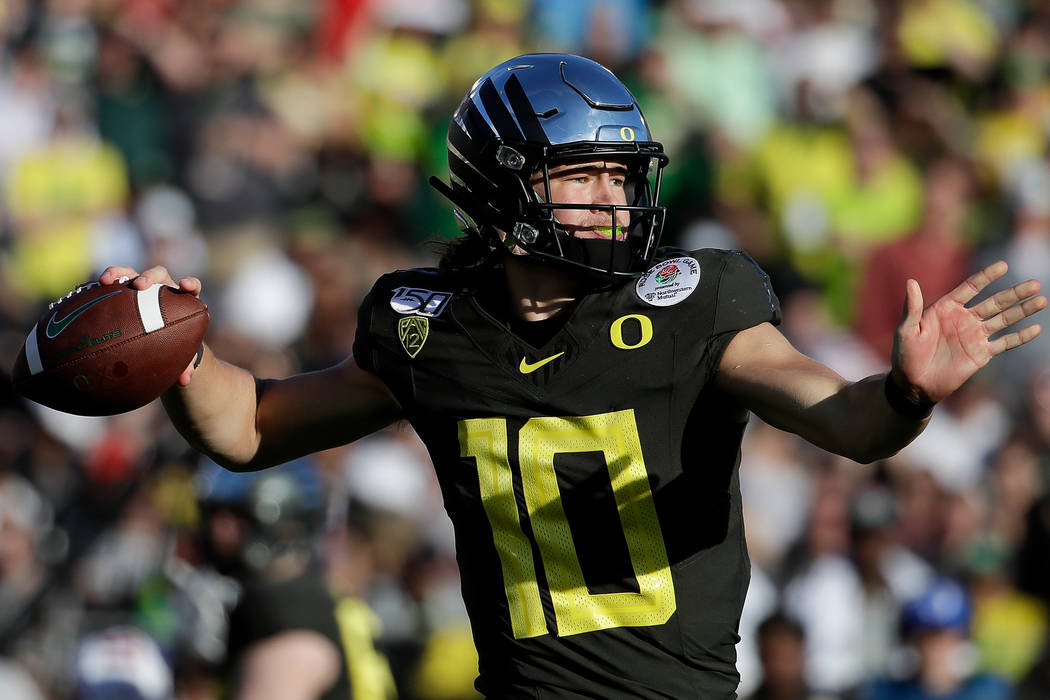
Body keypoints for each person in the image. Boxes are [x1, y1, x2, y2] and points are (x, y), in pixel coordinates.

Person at [98, 54, 1046, 699]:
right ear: (503, 186)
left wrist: (906, 391)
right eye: (583, 175)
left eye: (621, 175)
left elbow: (845, 420)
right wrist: (178, 352)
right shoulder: (431, 327)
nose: (614, 198)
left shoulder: (696, 302)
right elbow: (250, 428)